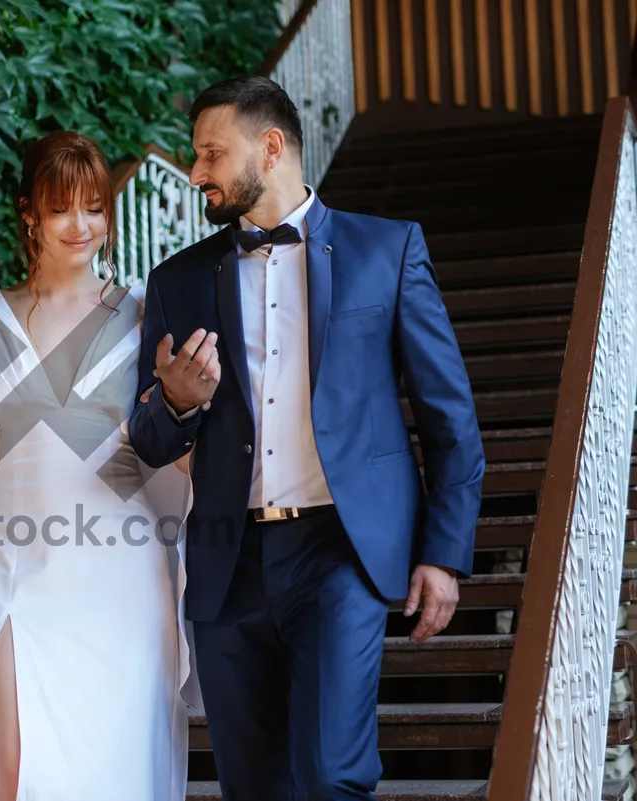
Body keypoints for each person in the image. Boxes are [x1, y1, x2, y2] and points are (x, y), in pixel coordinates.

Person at [128, 76, 486, 800]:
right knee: (253, 786)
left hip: (341, 553)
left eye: (210, 154)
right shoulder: (179, 280)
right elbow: (149, 439)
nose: (196, 173)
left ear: (270, 146)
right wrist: (176, 400)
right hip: (231, 563)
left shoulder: (386, 250)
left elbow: (450, 417)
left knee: (330, 773)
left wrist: (443, 554)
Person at [0, 131, 202, 801]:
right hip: (15, 580)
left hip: (124, 580)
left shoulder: (146, 314)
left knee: (122, 774)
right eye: (62, 207)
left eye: (96, 206)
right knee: (21, 778)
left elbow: (175, 445)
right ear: (28, 212)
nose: (82, 225)